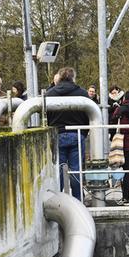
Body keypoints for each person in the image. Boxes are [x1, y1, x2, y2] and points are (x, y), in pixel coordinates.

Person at [45, 67, 90, 200]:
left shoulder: (50, 94)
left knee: (57, 172)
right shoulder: (82, 93)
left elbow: (46, 116)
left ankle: (58, 202)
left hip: (57, 134)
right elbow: (89, 116)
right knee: (76, 171)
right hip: (77, 134)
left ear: (59, 77)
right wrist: (83, 133)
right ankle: (78, 201)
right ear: (73, 77)